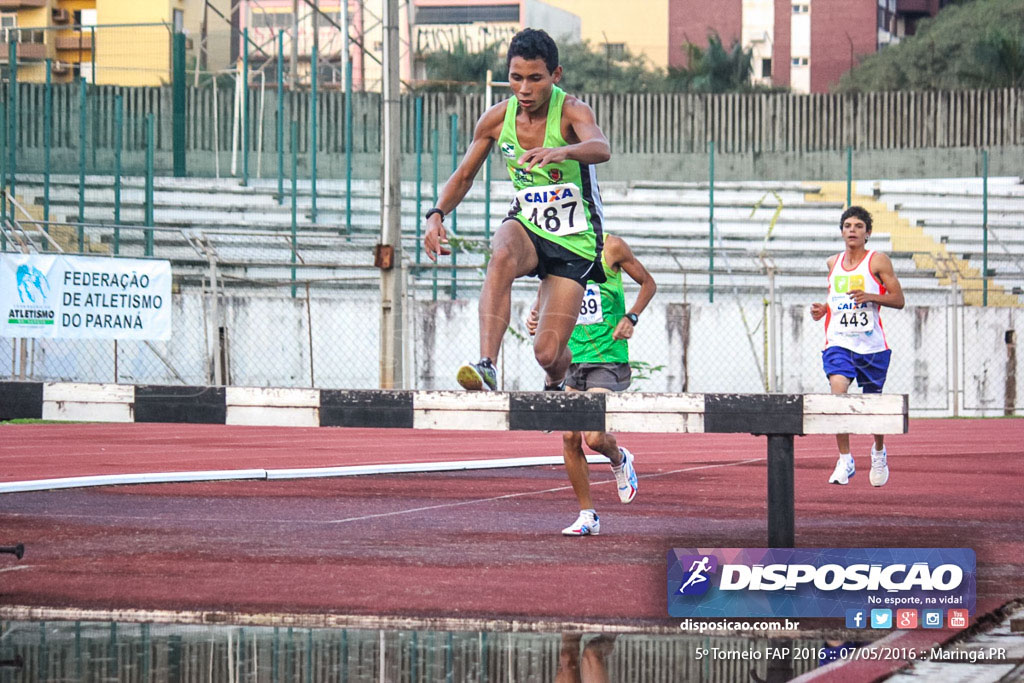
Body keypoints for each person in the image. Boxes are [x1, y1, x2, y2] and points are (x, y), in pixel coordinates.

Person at [423, 28, 611, 392]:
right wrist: (436, 214)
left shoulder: (571, 111)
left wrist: (563, 151)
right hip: (529, 227)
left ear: (555, 76)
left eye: (535, 79)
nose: (524, 89)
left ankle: (557, 378)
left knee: (547, 351)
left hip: (575, 242)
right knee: (503, 248)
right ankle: (487, 364)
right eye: (516, 78)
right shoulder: (496, 120)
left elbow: (601, 147)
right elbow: (463, 176)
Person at [527, 235, 656, 535]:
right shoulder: (556, 249)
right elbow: (548, 286)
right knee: (570, 436)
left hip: (606, 357)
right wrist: (536, 313)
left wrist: (631, 317)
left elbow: (649, 284)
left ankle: (620, 458)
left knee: (594, 437)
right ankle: (588, 515)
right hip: (570, 355)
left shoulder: (612, 247)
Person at [810, 206, 904, 487]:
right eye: (848, 225)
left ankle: (878, 451)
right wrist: (823, 309)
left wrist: (871, 296)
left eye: (858, 226)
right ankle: (845, 459)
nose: (852, 230)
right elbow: (839, 299)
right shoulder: (832, 263)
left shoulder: (878, 261)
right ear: (841, 232)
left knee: (873, 406)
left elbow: (898, 300)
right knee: (838, 393)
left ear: (868, 233)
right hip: (839, 342)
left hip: (872, 346)